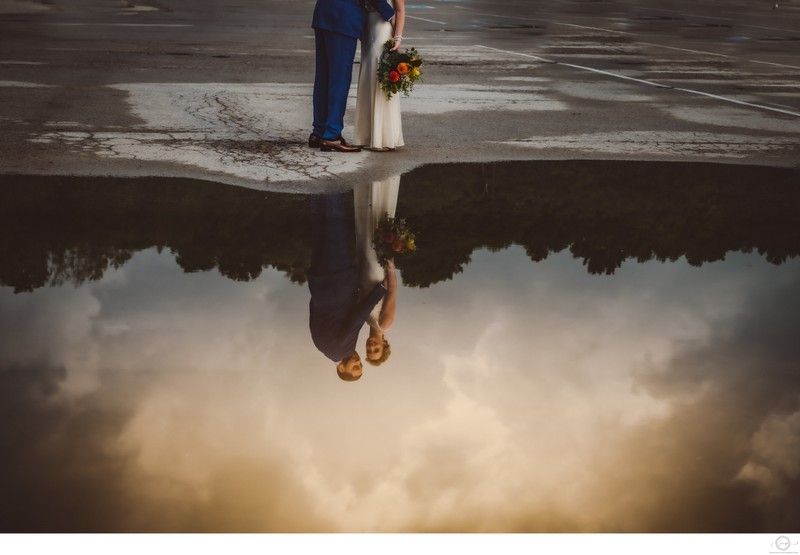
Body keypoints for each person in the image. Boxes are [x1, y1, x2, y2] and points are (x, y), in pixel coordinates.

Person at [308, 193, 387, 381]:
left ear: (341, 369)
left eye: (355, 367)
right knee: (319, 226)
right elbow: (312, 310)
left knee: (336, 225)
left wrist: (380, 291)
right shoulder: (321, 347)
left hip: (339, 280)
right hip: (318, 282)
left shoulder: (343, 349)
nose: (359, 361)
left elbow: (358, 318)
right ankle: (315, 183)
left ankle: (335, 180)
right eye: (361, 366)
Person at [311, 0, 396, 153]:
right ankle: (331, 135)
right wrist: (390, 14)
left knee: (323, 77)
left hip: (324, 12)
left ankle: (318, 132)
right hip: (342, 17)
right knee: (339, 79)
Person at [354, 176, 400, 365]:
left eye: (368, 349)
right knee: (377, 227)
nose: (371, 346)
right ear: (384, 345)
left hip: (364, 270)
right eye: (376, 349)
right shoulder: (385, 325)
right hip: (378, 271)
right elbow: (392, 294)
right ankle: (381, 183)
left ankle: (367, 182)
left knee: (365, 228)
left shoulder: (366, 321)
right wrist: (390, 267)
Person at [354, 0, 406, 151]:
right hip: (368, 25)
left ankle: (381, 138)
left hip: (382, 27)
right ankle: (368, 135)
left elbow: (400, 9)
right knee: (368, 75)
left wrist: (398, 37)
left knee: (379, 75)